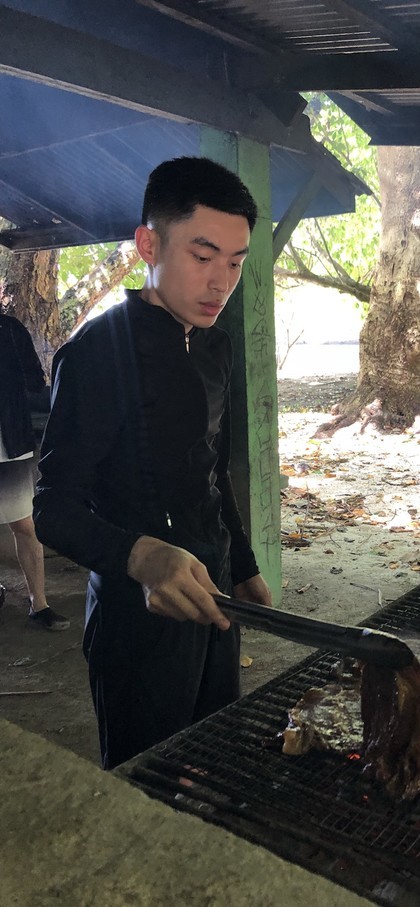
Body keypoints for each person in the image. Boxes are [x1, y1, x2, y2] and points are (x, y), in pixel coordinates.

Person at [34, 156, 272, 769]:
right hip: (135, 618)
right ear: (148, 245)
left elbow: (213, 473)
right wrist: (140, 556)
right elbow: (53, 508)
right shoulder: (96, 354)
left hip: (215, 596)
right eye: (203, 256)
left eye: (236, 262)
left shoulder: (216, 345)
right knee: (149, 779)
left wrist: (243, 566)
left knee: (216, 764)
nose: (221, 282)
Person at [0, 311, 70, 631]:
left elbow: (34, 380)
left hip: (9, 439)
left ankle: (39, 604)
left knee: (24, 525)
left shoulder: (9, 328)